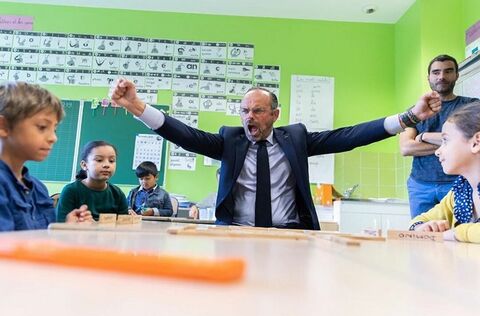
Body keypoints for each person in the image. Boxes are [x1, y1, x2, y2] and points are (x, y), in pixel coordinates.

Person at [111, 78, 441, 230]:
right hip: (237, 232)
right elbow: (186, 136)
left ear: (274, 114)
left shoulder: (295, 139)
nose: (248, 117)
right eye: (244, 111)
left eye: (257, 111)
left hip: (292, 235)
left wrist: (409, 117)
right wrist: (138, 107)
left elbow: (348, 136)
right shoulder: (230, 140)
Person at [0, 81, 92, 231]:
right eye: (42, 127)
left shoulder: (38, 188)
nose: (53, 138)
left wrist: (65, 229)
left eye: (54, 129)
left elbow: (44, 239)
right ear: (3, 127)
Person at [399, 54, 479, 218]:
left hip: (458, 183)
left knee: (459, 233)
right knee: (421, 231)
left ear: (457, 75)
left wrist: (424, 136)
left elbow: (473, 141)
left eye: (448, 71)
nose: (441, 76)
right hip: (419, 185)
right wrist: (455, 143)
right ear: (428, 77)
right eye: (436, 72)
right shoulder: (414, 111)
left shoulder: (472, 106)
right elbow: (406, 147)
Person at [409, 102, 480, 243]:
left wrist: (454, 234)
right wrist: (424, 227)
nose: (437, 151)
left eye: (445, 141)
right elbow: (419, 220)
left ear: (476, 143)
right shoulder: (460, 192)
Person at [56, 140, 129, 222]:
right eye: (99, 160)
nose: (106, 165)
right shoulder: (71, 191)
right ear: (84, 165)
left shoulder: (117, 193)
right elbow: (60, 223)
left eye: (111, 161)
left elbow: (124, 225)